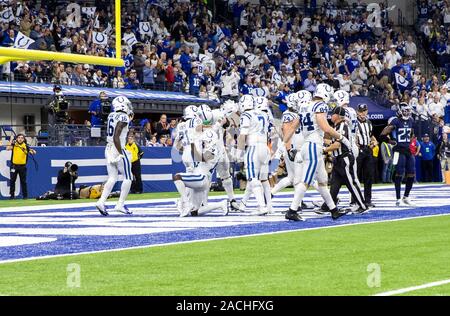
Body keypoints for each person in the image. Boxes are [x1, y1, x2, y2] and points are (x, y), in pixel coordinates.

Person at [282, 83, 348, 221]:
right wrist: (342, 138)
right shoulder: (320, 106)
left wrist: (285, 141)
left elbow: (294, 126)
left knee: (323, 181)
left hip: (310, 145)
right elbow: (325, 127)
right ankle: (292, 210)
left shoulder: (304, 106)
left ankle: (333, 210)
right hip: (313, 145)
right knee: (305, 181)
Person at [173, 129, 229, 217]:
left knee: (177, 177)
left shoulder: (214, 150)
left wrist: (192, 143)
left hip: (202, 178)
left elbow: (201, 158)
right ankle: (221, 204)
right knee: (195, 212)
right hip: (199, 179)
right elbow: (182, 150)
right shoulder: (205, 147)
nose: (203, 142)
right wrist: (177, 141)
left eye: (204, 141)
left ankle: (185, 202)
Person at [324, 106, 367, 213]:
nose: (331, 116)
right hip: (338, 159)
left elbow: (337, 145)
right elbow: (333, 143)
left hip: (345, 158)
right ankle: (327, 206)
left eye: (333, 114)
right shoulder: (337, 126)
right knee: (334, 185)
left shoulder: (343, 126)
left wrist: (324, 149)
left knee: (351, 183)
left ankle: (362, 205)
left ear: (338, 115)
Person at [95, 96, 134, 216]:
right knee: (128, 177)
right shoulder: (123, 116)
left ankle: (101, 201)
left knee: (112, 177)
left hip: (108, 148)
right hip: (118, 148)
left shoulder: (111, 115)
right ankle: (120, 204)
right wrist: (121, 153)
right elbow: (117, 136)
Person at [380, 103, 417, 207]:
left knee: (411, 173)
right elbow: (383, 134)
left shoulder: (411, 120)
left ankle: (406, 197)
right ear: (400, 110)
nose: (407, 112)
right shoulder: (395, 121)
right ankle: (398, 198)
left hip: (407, 150)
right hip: (398, 150)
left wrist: (410, 140)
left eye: (408, 110)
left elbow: (412, 133)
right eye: (405, 110)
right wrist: (390, 141)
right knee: (399, 173)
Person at [355, 103, 378, 208]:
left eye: (364, 111)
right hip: (358, 150)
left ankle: (367, 200)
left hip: (368, 149)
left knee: (369, 176)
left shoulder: (369, 122)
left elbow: (371, 135)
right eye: (360, 111)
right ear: (357, 112)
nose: (362, 113)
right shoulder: (354, 123)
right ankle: (355, 200)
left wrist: (374, 141)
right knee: (356, 176)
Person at [6, 134, 36, 199]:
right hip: (14, 166)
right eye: (19, 137)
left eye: (22, 138)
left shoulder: (26, 146)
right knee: (12, 181)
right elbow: (7, 148)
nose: (20, 139)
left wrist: (32, 151)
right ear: (16, 139)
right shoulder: (14, 145)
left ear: (24, 139)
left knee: (23, 182)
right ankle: (12, 196)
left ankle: (25, 196)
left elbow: (33, 152)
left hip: (22, 167)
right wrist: (11, 139)